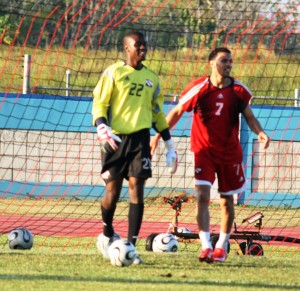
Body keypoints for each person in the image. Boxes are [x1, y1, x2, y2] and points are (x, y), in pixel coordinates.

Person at [151, 47, 270, 263]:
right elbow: (177, 111)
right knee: (202, 196)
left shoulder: (238, 91)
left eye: (230, 61)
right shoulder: (198, 88)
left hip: (230, 155)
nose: (228, 64)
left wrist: (260, 132)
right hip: (204, 152)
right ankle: (205, 246)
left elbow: (250, 117)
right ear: (211, 63)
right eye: (224, 60)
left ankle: (221, 246)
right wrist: (158, 136)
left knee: (227, 202)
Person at [92, 31, 177, 265]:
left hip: (140, 139)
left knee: (136, 187)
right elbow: (100, 102)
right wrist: (101, 125)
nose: (143, 48)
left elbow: (157, 113)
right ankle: (107, 233)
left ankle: (130, 246)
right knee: (112, 191)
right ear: (127, 48)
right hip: (115, 140)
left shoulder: (152, 77)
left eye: (144, 45)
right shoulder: (114, 72)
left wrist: (169, 143)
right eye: (137, 45)